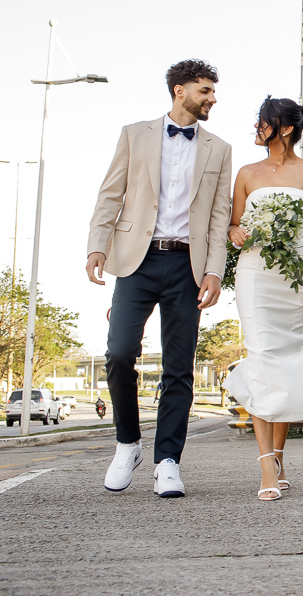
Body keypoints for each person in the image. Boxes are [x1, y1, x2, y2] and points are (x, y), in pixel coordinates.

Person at [85, 60, 233, 497]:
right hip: (137, 260)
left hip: (188, 265)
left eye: (213, 91)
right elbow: (111, 193)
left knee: (178, 367)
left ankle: (167, 461)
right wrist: (96, 245)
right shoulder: (135, 134)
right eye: (205, 90)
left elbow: (219, 215)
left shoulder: (220, 149)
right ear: (179, 90)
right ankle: (127, 443)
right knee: (118, 353)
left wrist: (214, 270)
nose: (212, 99)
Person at [223, 96, 303, 501]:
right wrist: (235, 232)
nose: (258, 127)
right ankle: (266, 465)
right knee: (262, 359)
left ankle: (280, 454)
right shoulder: (246, 173)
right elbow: (233, 224)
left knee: (284, 360)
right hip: (255, 276)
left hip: (297, 278)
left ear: (285, 128)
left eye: (264, 121)